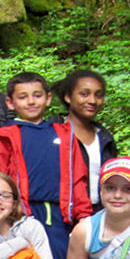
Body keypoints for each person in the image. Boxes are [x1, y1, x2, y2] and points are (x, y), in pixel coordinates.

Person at [0, 72, 91, 259]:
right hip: (21, 215)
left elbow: (78, 177)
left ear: (48, 98)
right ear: (10, 102)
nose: (31, 101)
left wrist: (84, 214)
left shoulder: (63, 134)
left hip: (59, 215)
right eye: (23, 97)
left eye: (37, 95)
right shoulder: (5, 135)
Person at [53, 70, 115, 210]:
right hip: (61, 213)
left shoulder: (105, 138)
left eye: (98, 95)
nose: (92, 101)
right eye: (84, 94)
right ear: (68, 97)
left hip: (99, 213)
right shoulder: (52, 133)